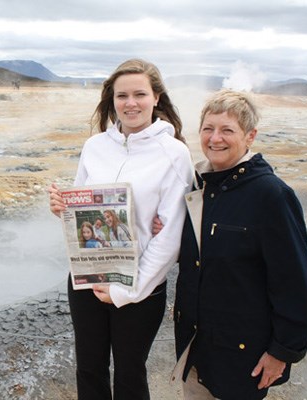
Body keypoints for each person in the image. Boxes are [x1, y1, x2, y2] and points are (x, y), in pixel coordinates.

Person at [48, 58, 193, 399]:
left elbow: (170, 237)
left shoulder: (174, 154)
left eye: (139, 94)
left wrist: (128, 291)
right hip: (87, 279)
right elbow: (83, 211)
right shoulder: (95, 146)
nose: (130, 103)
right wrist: (64, 210)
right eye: (121, 95)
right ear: (111, 100)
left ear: (156, 97)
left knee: (129, 374)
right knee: (89, 368)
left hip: (139, 287)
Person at [172, 89, 307, 399]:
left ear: (250, 136)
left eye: (227, 130)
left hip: (240, 356)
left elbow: (294, 283)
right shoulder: (199, 187)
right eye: (208, 128)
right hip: (196, 348)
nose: (215, 138)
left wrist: (282, 352)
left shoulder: (271, 195)